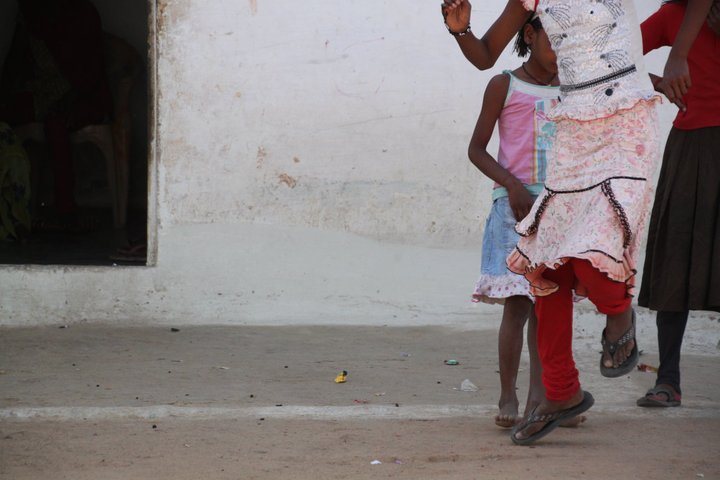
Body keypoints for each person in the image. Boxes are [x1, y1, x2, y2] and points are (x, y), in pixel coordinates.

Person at [442, 0, 712, 445]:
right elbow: (486, 55)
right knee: (546, 263)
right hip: (573, 128)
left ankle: (618, 312)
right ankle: (560, 391)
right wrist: (460, 30)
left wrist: (679, 54)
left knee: (595, 242)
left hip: (625, 122)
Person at [468, 15, 564, 428]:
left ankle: (543, 397)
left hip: (558, 209)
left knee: (549, 307)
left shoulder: (572, 88)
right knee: (519, 305)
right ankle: (508, 394)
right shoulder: (504, 85)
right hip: (515, 209)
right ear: (529, 34)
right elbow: (476, 149)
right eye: (554, 40)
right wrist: (512, 185)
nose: (561, 50)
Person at [636, 0, 720, 408]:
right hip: (690, 147)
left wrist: (679, 55)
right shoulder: (672, 15)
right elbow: (613, 56)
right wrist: (654, 81)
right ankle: (668, 380)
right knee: (674, 261)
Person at [0, 0, 112, 231]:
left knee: (56, 124)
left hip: (82, 95)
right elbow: (14, 64)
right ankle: (13, 211)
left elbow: (92, 70)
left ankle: (66, 211)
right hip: (41, 92)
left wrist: (69, 100)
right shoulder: (29, 14)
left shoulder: (83, 13)